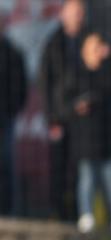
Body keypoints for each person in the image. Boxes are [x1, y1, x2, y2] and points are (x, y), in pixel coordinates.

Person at [66, 32, 111, 234]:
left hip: (108, 137)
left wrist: (110, 60)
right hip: (85, 138)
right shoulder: (76, 74)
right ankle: (86, 215)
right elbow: (67, 100)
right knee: (87, 179)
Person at [37, 0, 87, 221]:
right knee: (59, 166)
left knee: (81, 169)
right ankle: (57, 212)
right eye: (74, 13)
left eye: (81, 13)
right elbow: (44, 84)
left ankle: (79, 212)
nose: (78, 17)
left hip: (84, 119)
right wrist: (51, 119)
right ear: (63, 15)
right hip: (60, 117)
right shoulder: (53, 44)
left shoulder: (90, 40)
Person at [0, 16, 27, 216]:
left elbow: (20, 87)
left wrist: (10, 110)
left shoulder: (12, 53)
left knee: (6, 164)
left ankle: (7, 211)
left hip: (4, 119)